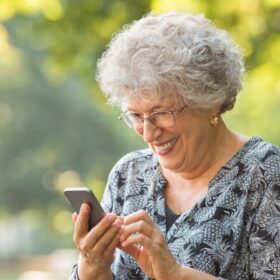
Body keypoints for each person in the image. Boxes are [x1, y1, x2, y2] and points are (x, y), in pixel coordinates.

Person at [70, 11, 280, 280]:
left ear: (209, 102)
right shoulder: (129, 174)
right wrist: (92, 267)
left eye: (161, 113)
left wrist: (176, 275)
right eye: (136, 115)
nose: (147, 133)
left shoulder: (266, 173)